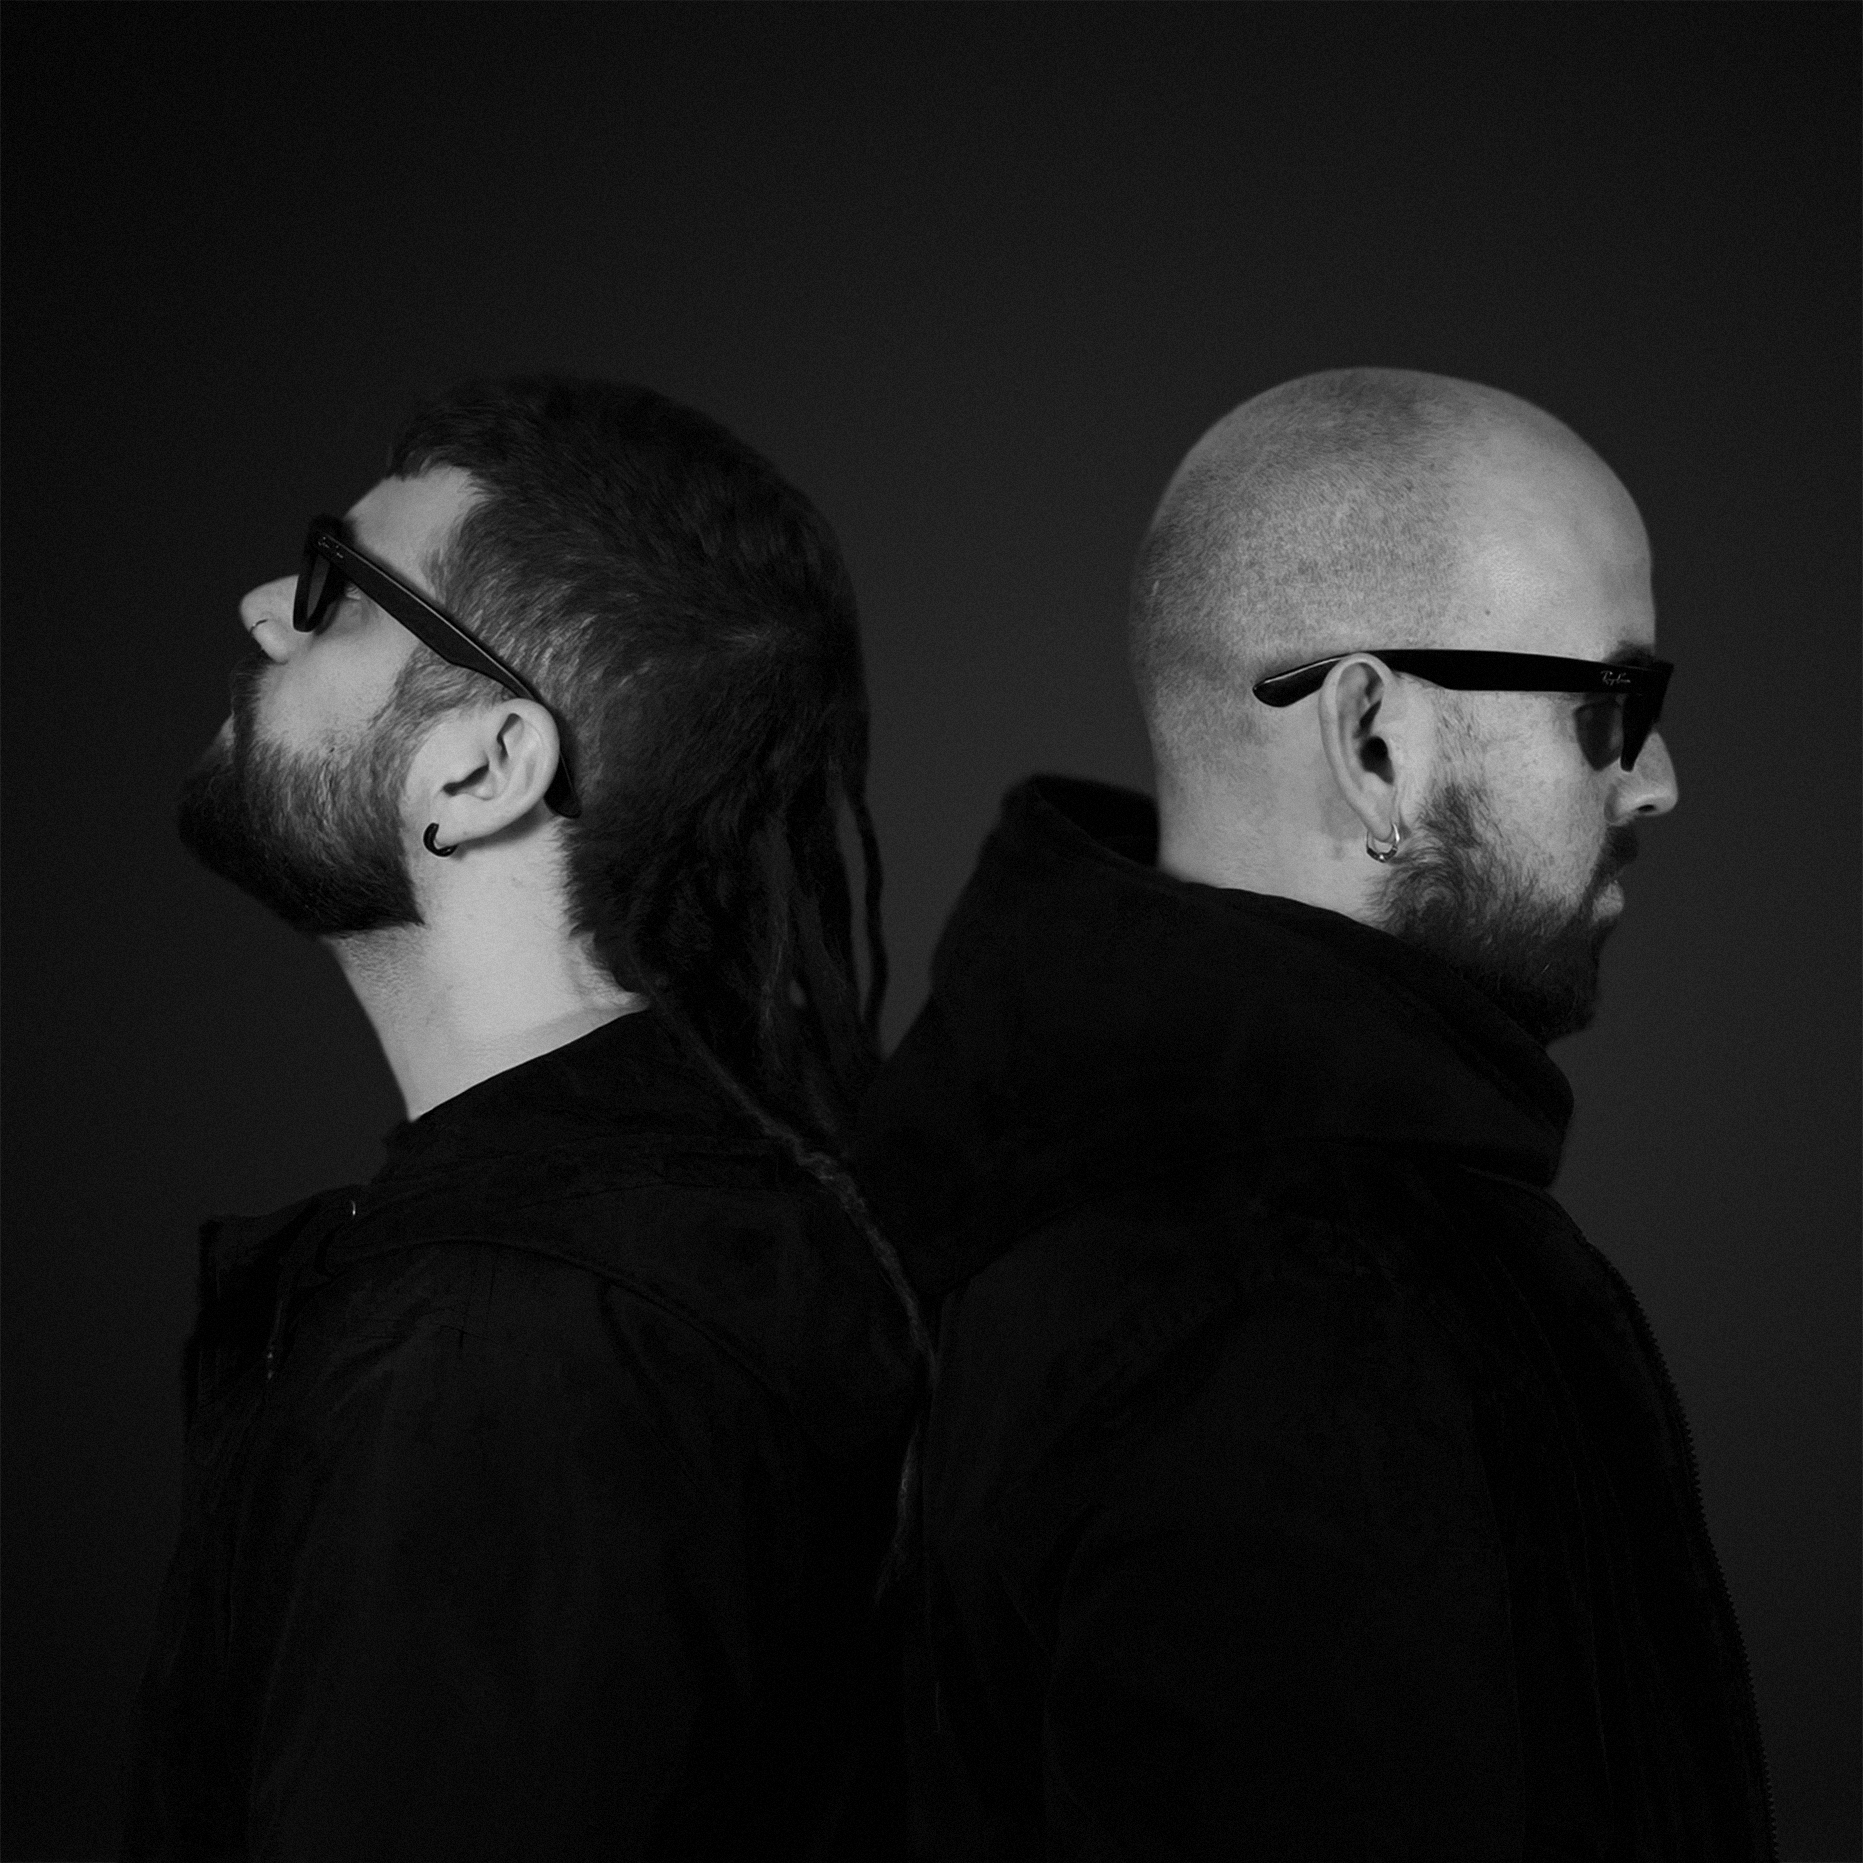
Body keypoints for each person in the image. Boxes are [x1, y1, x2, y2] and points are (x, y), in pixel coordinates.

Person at [856, 369, 1774, 1856]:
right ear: (1372, 740)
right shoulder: (1307, 1319)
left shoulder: (1003, 1197)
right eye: (1613, 705)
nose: (1656, 779)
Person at [127, 377, 924, 1860]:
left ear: (485, 766)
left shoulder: (502, 1356)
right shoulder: (681, 1238)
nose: (264, 611)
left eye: (340, 589)